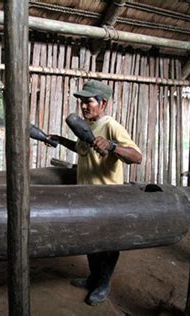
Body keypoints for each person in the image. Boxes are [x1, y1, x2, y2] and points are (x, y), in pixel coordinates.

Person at [48, 80, 142, 305]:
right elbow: (83, 149)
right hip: (86, 195)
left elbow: (137, 157)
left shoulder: (112, 126)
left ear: (103, 103)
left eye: (88, 101)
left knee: (108, 243)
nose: (83, 106)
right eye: (81, 102)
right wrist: (60, 140)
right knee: (90, 240)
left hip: (108, 198)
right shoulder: (87, 128)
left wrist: (111, 146)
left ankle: (104, 283)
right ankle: (93, 278)